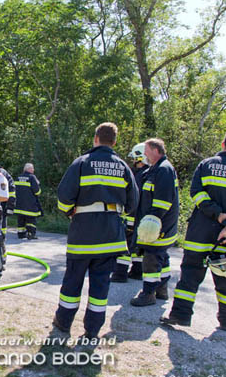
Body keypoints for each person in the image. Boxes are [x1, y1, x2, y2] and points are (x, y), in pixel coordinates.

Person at [161, 130, 226, 331]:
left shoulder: (206, 165)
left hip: (200, 231)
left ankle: (180, 315)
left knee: (189, 274)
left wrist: (217, 214)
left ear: (223, 143)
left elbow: (196, 193)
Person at [53, 123, 138, 337]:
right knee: (101, 285)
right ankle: (92, 330)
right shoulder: (123, 166)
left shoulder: (82, 162)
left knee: (73, 280)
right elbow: (134, 202)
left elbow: (64, 196)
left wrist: (70, 212)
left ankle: (63, 322)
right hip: (111, 235)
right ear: (114, 142)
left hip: (84, 231)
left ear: (95, 139)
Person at [130, 138, 179, 306]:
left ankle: (148, 293)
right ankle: (162, 290)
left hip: (158, 225)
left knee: (151, 256)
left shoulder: (164, 170)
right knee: (161, 256)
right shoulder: (155, 169)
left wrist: (152, 219)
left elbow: (163, 200)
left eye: (146, 151)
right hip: (158, 223)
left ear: (155, 150)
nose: (144, 155)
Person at [111, 143, 149, 282]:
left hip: (132, 217)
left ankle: (120, 273)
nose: (133, 162)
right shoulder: (151, 173)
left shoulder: (139, 176)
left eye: (135, 158)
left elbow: (132, 197)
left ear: (140, 158)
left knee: (125, 244)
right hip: (143, 219)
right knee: (139, 244)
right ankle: (137, 271)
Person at [14, 163, 42, 240]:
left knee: (21, 220)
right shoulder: (32, 177)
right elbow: (37, 192)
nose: (33, 170)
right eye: (32, 168)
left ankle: (21, 234)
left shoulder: (18, 177)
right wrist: (38, 186)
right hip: (30, 204)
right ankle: (31, 234)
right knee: (31, 220)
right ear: (28, 169)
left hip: (19, 204)